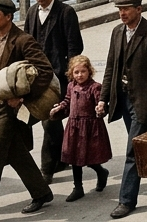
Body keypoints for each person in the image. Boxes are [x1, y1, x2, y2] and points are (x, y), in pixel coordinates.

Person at [0, 0, 54, 221]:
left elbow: (45, 71)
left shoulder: (23, 40)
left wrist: (22, 97)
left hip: (10, 108)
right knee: (16, 153)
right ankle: (41, 192)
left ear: (9, 16)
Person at [98, 0, 147, 218]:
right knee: (144, 144)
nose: (122, 14)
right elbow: (110, 67)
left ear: (139, 9)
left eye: (126, 9)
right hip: (123, 99)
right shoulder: (117, 32)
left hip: (144, 101)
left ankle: (126, 200)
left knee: (133, 150)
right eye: (119, 10)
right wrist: (103, 98)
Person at [23, 0, 83, 183]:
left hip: (60, 76)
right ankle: (63, 157)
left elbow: (75, 47)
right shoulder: (32, 12)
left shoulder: (66, 12)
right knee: (49, 120)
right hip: (38, 76)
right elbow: (26, 43)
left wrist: (71, 76)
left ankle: (47, 169)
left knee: (50, 120)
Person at [47, 56, 110, 203]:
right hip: (74, 126)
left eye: (83, 71)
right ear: (71, 73)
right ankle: (78, 188)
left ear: (89, 71)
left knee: (90, 157)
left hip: (90, 128)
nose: (80, 75)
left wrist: (100, 110)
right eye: (76, 72)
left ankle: (101, 172)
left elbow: (102, 104)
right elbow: (68, 100)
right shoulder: (71, 86)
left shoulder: (95, 87)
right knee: (74, 157)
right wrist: (60, 106)